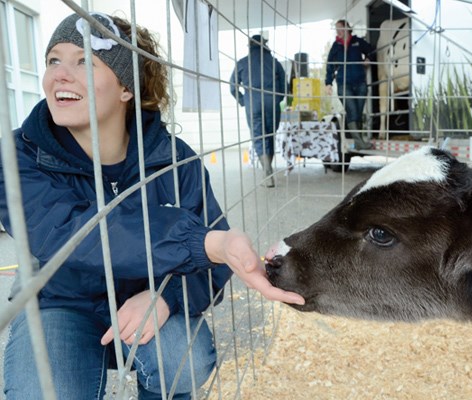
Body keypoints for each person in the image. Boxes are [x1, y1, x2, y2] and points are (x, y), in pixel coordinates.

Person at [0, 12, 303, 400]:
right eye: (53, 60)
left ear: (126, 87)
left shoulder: (175, 159)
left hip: (146, 297)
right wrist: (204, 244)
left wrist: (168, 297)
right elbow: (75, 232)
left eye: (83, 62)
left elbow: (211, 271)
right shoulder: (18, 153)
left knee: (183, 360)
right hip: (59, 302)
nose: (60, 74)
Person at [229, 34, 286, 187]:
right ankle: (268, 170)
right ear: (264, 45)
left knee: (258, 136)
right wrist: (277, 99)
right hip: (271, 101)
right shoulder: (274, 62)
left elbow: (232, 86)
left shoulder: (242, 62)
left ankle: (267, 173)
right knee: (270, 135)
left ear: (250, 46)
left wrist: (243, 101)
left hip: (252, 102)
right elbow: (284, 85)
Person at [325, 19, 374, 150]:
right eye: (336, 29)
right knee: (352, 110)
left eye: (340, 28)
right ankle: (359, 142)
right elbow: (330, 66)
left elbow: (372, 50)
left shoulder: (357, 42)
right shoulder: (335, 46)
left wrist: (368, 58)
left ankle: (359, 141)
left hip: (360, 84)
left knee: (357, 112)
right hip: (343, 84)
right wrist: (328, 83)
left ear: (347, 28)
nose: (338, 31)